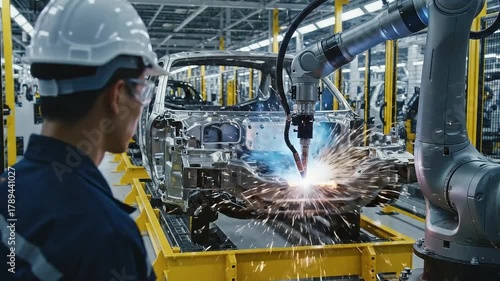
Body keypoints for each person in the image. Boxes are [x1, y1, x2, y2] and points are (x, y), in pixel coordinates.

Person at [0, 0, 167, 280]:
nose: (142, 105)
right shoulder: (106, 238)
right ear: (116, 96)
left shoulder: (10, 183)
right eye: (141, 91)